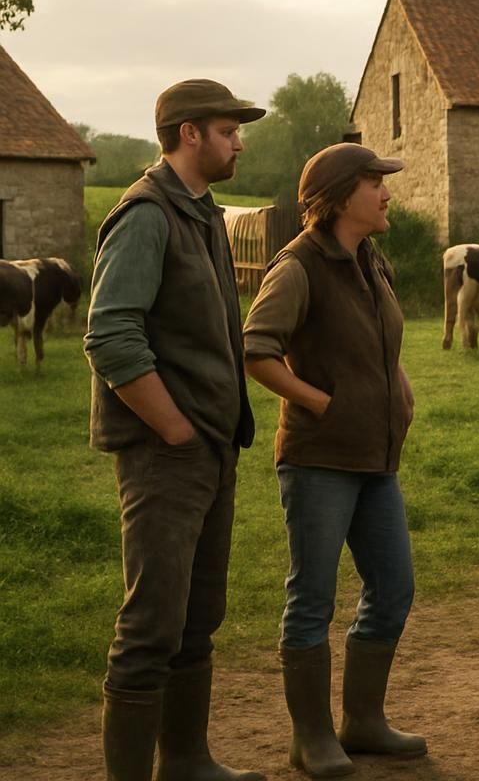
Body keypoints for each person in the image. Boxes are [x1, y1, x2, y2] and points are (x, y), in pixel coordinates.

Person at [84, 79, 265, 781]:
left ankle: (186, 762)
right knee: (152, 625)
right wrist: (175, 431)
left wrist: (208, 438)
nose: (239, 143)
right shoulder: (146, 213)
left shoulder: (200, 211)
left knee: (197, 617)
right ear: (190, 134)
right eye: (228, 131)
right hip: (167, 455)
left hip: (211, 449)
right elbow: (111, 335)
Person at [242, 143, 426, 777]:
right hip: (318, 460)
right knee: (312, 599)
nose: (387, 193)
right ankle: (311, 737)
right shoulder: (298, 267)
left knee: (393, 589)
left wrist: (398, 384)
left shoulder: (372, 260)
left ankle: (364, 721)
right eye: (376, 183)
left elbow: (380, 341)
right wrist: (321, 402)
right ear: (343, 195)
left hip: (377, 460)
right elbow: (257, 350)